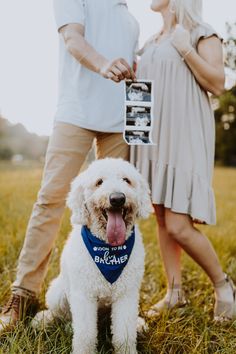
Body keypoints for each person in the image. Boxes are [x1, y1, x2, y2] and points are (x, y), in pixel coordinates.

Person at [0, 0, 139, 330]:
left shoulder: (130, 17)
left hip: (121, 121)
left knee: (118, 210)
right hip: (75, 113)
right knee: (50, 200)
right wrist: (104, 64)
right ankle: (24, 292)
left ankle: (115, 297)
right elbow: (73, 39)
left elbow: (132, 68)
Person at [131, 0, 236, 321]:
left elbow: (218, 84)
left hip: (184, 136)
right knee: (162, 216)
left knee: (179, 224)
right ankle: (174, 292)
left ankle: (224, 286)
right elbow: (143, 93)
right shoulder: (151, 42)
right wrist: (136, 136)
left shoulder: (202, 34)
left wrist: (184, 49)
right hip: (151, 139)